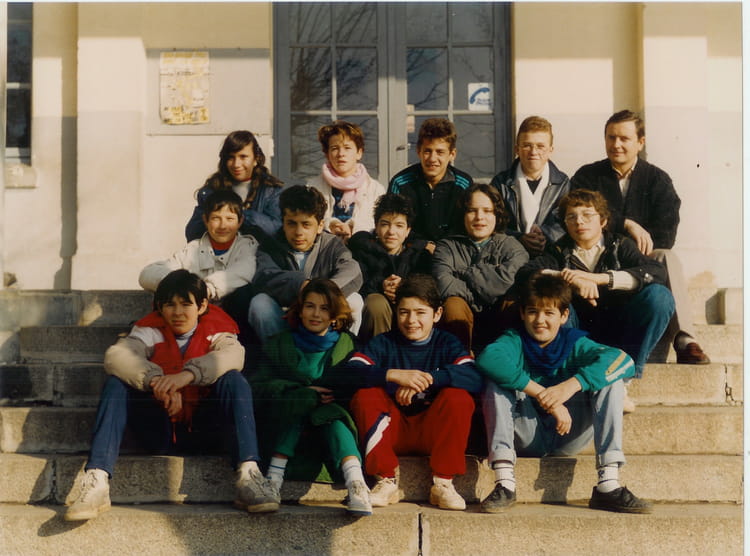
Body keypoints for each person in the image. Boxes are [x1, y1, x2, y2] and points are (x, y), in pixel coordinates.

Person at [64, 270, 278, 522]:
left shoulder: (217, 328)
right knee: (116, 383)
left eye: (186, 304)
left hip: (205, 429)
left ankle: (248, 474)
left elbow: (234, 355)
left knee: (233, 380)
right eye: (170, 305)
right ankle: (97, 479)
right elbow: (117, 356)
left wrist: (186, 376)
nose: (177, 312)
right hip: (160, 428)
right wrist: (157, 382)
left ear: (202, 306)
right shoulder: (149, 329)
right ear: (160, 307)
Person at [476, 272, 652, 514]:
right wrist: (546, 396)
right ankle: (505, 483)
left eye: (549, 313)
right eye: (533, 312)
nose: (540, 320)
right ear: (522, 314)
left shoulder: (575, 342)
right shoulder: (514, 341)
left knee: (609, 379)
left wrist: (569, 387)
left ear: (564, 315)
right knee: (496, 381)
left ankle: (608, 483)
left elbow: (624, 361)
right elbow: (487, 358)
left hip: (570, 434)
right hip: (527, 433)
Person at [571, 110, 709, 364]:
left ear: (640, 142)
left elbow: (666, 233)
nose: (616, 144)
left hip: (641, 261)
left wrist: (628, 249)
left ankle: (684, 338)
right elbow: (578, 216)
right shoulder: (588, 176)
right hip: (599, 259)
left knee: (666, 256)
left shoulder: (658, 179)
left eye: (624, 138)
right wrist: (627, 224)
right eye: (611, 137)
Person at [517, 189, 674, 411]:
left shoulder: (619, 245)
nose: (579, 221)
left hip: (621, 328)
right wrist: (571, 278)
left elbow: (656, 272)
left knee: (660, 296)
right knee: (559, 309)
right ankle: (570, 377)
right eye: (571, 217)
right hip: (580, 331)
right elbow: (526, 273)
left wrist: (601, 279)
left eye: (587, 215)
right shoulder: (559, 250)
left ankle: (622, 378)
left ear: (603, 221)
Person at [341, 274, 482, 511]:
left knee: (458, 397)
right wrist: (392, 375)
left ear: (437, 314)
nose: (411, 320)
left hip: (432, 433)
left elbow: (474, 376)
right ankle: (386, 480)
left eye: (420, 312)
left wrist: (428, 379)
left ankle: (443, 483)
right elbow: (351, 372)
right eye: (404, 312)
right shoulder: (384, 343)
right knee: (365, 396)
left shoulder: (446, 343)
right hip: (393, 432)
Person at [249, 279, 371, 516]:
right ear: (300, 310)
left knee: (329, 414)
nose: (316, 314)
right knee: (301, 402)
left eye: (324, 308)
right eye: (310, 306)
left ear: (334, 315)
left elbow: (358, 385)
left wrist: (332, 395)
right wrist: (299, 391)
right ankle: (273, 481)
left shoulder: (349, 346)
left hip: (330, 438)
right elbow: (258, 386)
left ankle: (356, 483)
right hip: (287, 430)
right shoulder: (280, 343)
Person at [250, 185, 364, 342]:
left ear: (320, 226)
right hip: (285, 316)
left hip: (325, 316)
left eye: (306, 224)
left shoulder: (332, 245)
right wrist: (300, 284)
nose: (298, 232)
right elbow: (264, 275)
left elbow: (353, 271)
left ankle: (342, 352)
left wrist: (320, 294)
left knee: (354, 301)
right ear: (283, 223)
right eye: (291, 223)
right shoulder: (271, 245)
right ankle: (279, 353)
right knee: (260, 304)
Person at [433, 183, 529, 352]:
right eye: (472, 210)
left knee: (513, 301)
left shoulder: (512, 246)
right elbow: (443, 284)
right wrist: (485, 293)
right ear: (463, 214)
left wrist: (467, 273)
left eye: (487, 211)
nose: (479, 217)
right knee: (453, 304)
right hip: (463, 320)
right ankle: (460, 360)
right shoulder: (447, 246)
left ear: (497, 215)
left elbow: (510, 282)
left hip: (500, 318)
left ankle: (507, 356)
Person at [140, 190, 257, 304]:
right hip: (194, 313)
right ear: (205, 220)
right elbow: (148, 274)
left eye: (229, 219)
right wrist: (182, 284)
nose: (223, 226)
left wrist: (207, 289)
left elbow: (243, 270)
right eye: (216, 218)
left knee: (243, 293)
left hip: (231, 312)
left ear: (240, 221)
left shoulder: (246, 246)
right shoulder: (193, 249)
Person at [348, 193, 431, 342]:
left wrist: (404, 287)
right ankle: (379, 353)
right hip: (374, 318)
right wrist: (382, 286)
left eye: (399, 226)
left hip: (410, 316)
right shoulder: (362, 252)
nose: (391, 231)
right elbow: (357, 286)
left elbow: (429, 288)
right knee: (376, 302)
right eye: (385, 224)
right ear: (376, 226)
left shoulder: (419, 255)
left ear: (408, 231)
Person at [490, 116, 570, 257]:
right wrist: (519, 238)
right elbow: (493, 223)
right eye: (527, 145)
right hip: (509, 254)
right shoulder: (500, 183)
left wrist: (545, 235)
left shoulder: (562, 183)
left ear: (551, 150)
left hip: (550, 255)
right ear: (517, 149)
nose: (533, 152)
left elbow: (566, 222)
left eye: (540, 146)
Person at [388, 118, 473, 250]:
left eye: (440, 152)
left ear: (452, 154)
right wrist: (423, 245)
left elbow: (466, 226)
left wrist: (441, 249)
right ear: (418, 151)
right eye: (427, 151)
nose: (432, 159)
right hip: (410, 250)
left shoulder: (463, 184)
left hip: (452, 251)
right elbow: (392, 224)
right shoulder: (400, 182)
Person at [185, 130, 284, 242]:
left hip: (259, 251)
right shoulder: (211, 190)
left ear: (256, 159)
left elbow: (277, 231)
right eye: (231, 157)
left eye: (243, 157)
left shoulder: (271, 191)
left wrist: (239, 214)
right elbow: (193, 233)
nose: (236, 164)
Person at [308, 120, 386, 242]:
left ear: (359, 153)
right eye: (335, 148)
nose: (341, 154)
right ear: (327, 154)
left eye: (347, 148)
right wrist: (330, 225)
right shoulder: (313, 187)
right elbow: (308, 220)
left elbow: (380, 224)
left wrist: (352, 227)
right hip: (324, 247)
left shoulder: (375, 189)